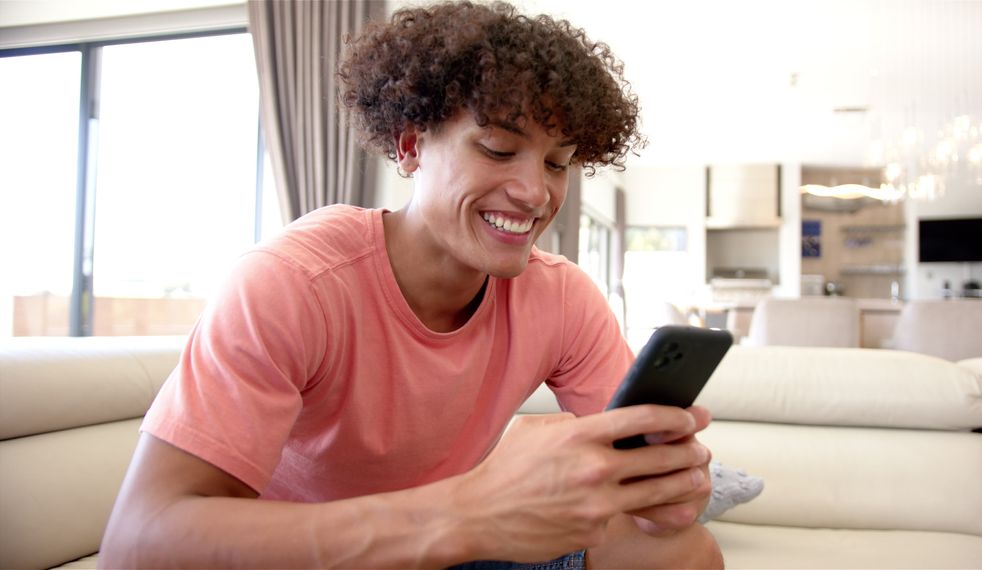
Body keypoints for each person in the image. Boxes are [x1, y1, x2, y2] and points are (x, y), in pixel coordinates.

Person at [99, 2, 734, 567]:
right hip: (313, 554)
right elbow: (138, 545)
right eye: (496, 149)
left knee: (682, 553)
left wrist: (663, 490)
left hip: (461, 547)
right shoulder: (293, 284)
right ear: (410, 146)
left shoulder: (562, 297)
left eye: (557, 163)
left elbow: (639, 495)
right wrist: (466, 513)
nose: (537, 193)